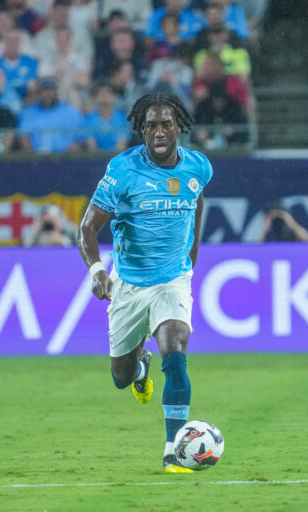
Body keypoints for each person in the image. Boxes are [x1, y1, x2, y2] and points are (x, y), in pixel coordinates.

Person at [77, 93, 212, 474]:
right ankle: (139, 369)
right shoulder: (122, 171)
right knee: (120, 376)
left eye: (165, 124)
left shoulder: (198, 166)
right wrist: (97, 272)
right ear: (142, 129)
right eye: (150, 125)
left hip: (172, 279)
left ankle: (174, 448)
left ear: (178, 127)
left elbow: (197, 201)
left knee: (176, 345)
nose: (158, 132)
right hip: (129, 284)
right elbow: (87, 227)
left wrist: (193, 250)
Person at [18, 76, 84, 153]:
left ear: (57, 91)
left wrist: (72, 150)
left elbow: (81, 139)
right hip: (36, 161)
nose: (48, 93)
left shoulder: (71, 112)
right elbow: (24, 138)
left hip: (66, 160)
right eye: (45, 90)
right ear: (39, 92)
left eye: (51, 90)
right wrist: (33, 156)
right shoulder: (28, 113)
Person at [84, 81, 129, 152]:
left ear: (114, 96)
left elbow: (121, 145)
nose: (104, 97)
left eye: (108, 94)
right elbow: (91, 147)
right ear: (95, 98)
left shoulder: (122, 118)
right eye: (100, 94)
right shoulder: (88, 119)